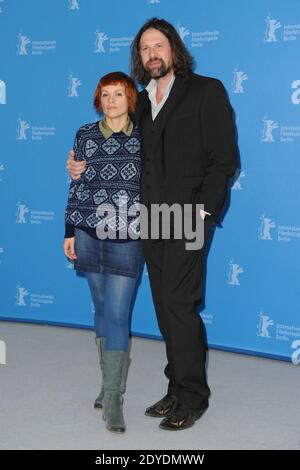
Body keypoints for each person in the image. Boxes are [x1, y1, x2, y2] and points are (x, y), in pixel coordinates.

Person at [67, 18, 238, 431]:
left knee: (179, 305)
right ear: (139, 58)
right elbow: (116, 137)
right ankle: (175, 388)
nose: (152, 54)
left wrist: (201, 213)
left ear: (173, 49)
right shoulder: (141, 100)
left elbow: (225, 160)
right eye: (144, 49)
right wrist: (80, 164)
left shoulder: (206, 91)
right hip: (149, 220)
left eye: (158, 45)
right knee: (164, 305)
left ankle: (193, 397)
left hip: (188, 219)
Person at [64, 71, 144, 434]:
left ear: (131, 99)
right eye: (105, 95)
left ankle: (113, 397)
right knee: (100, 308)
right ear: (99, 100)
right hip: (87, 233)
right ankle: (106, 386)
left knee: (117, 313)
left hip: (129, 235)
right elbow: (76, 184)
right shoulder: (84, 135)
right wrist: (69, 231)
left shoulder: (147, 135)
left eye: (119, 94)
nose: (111, 101)